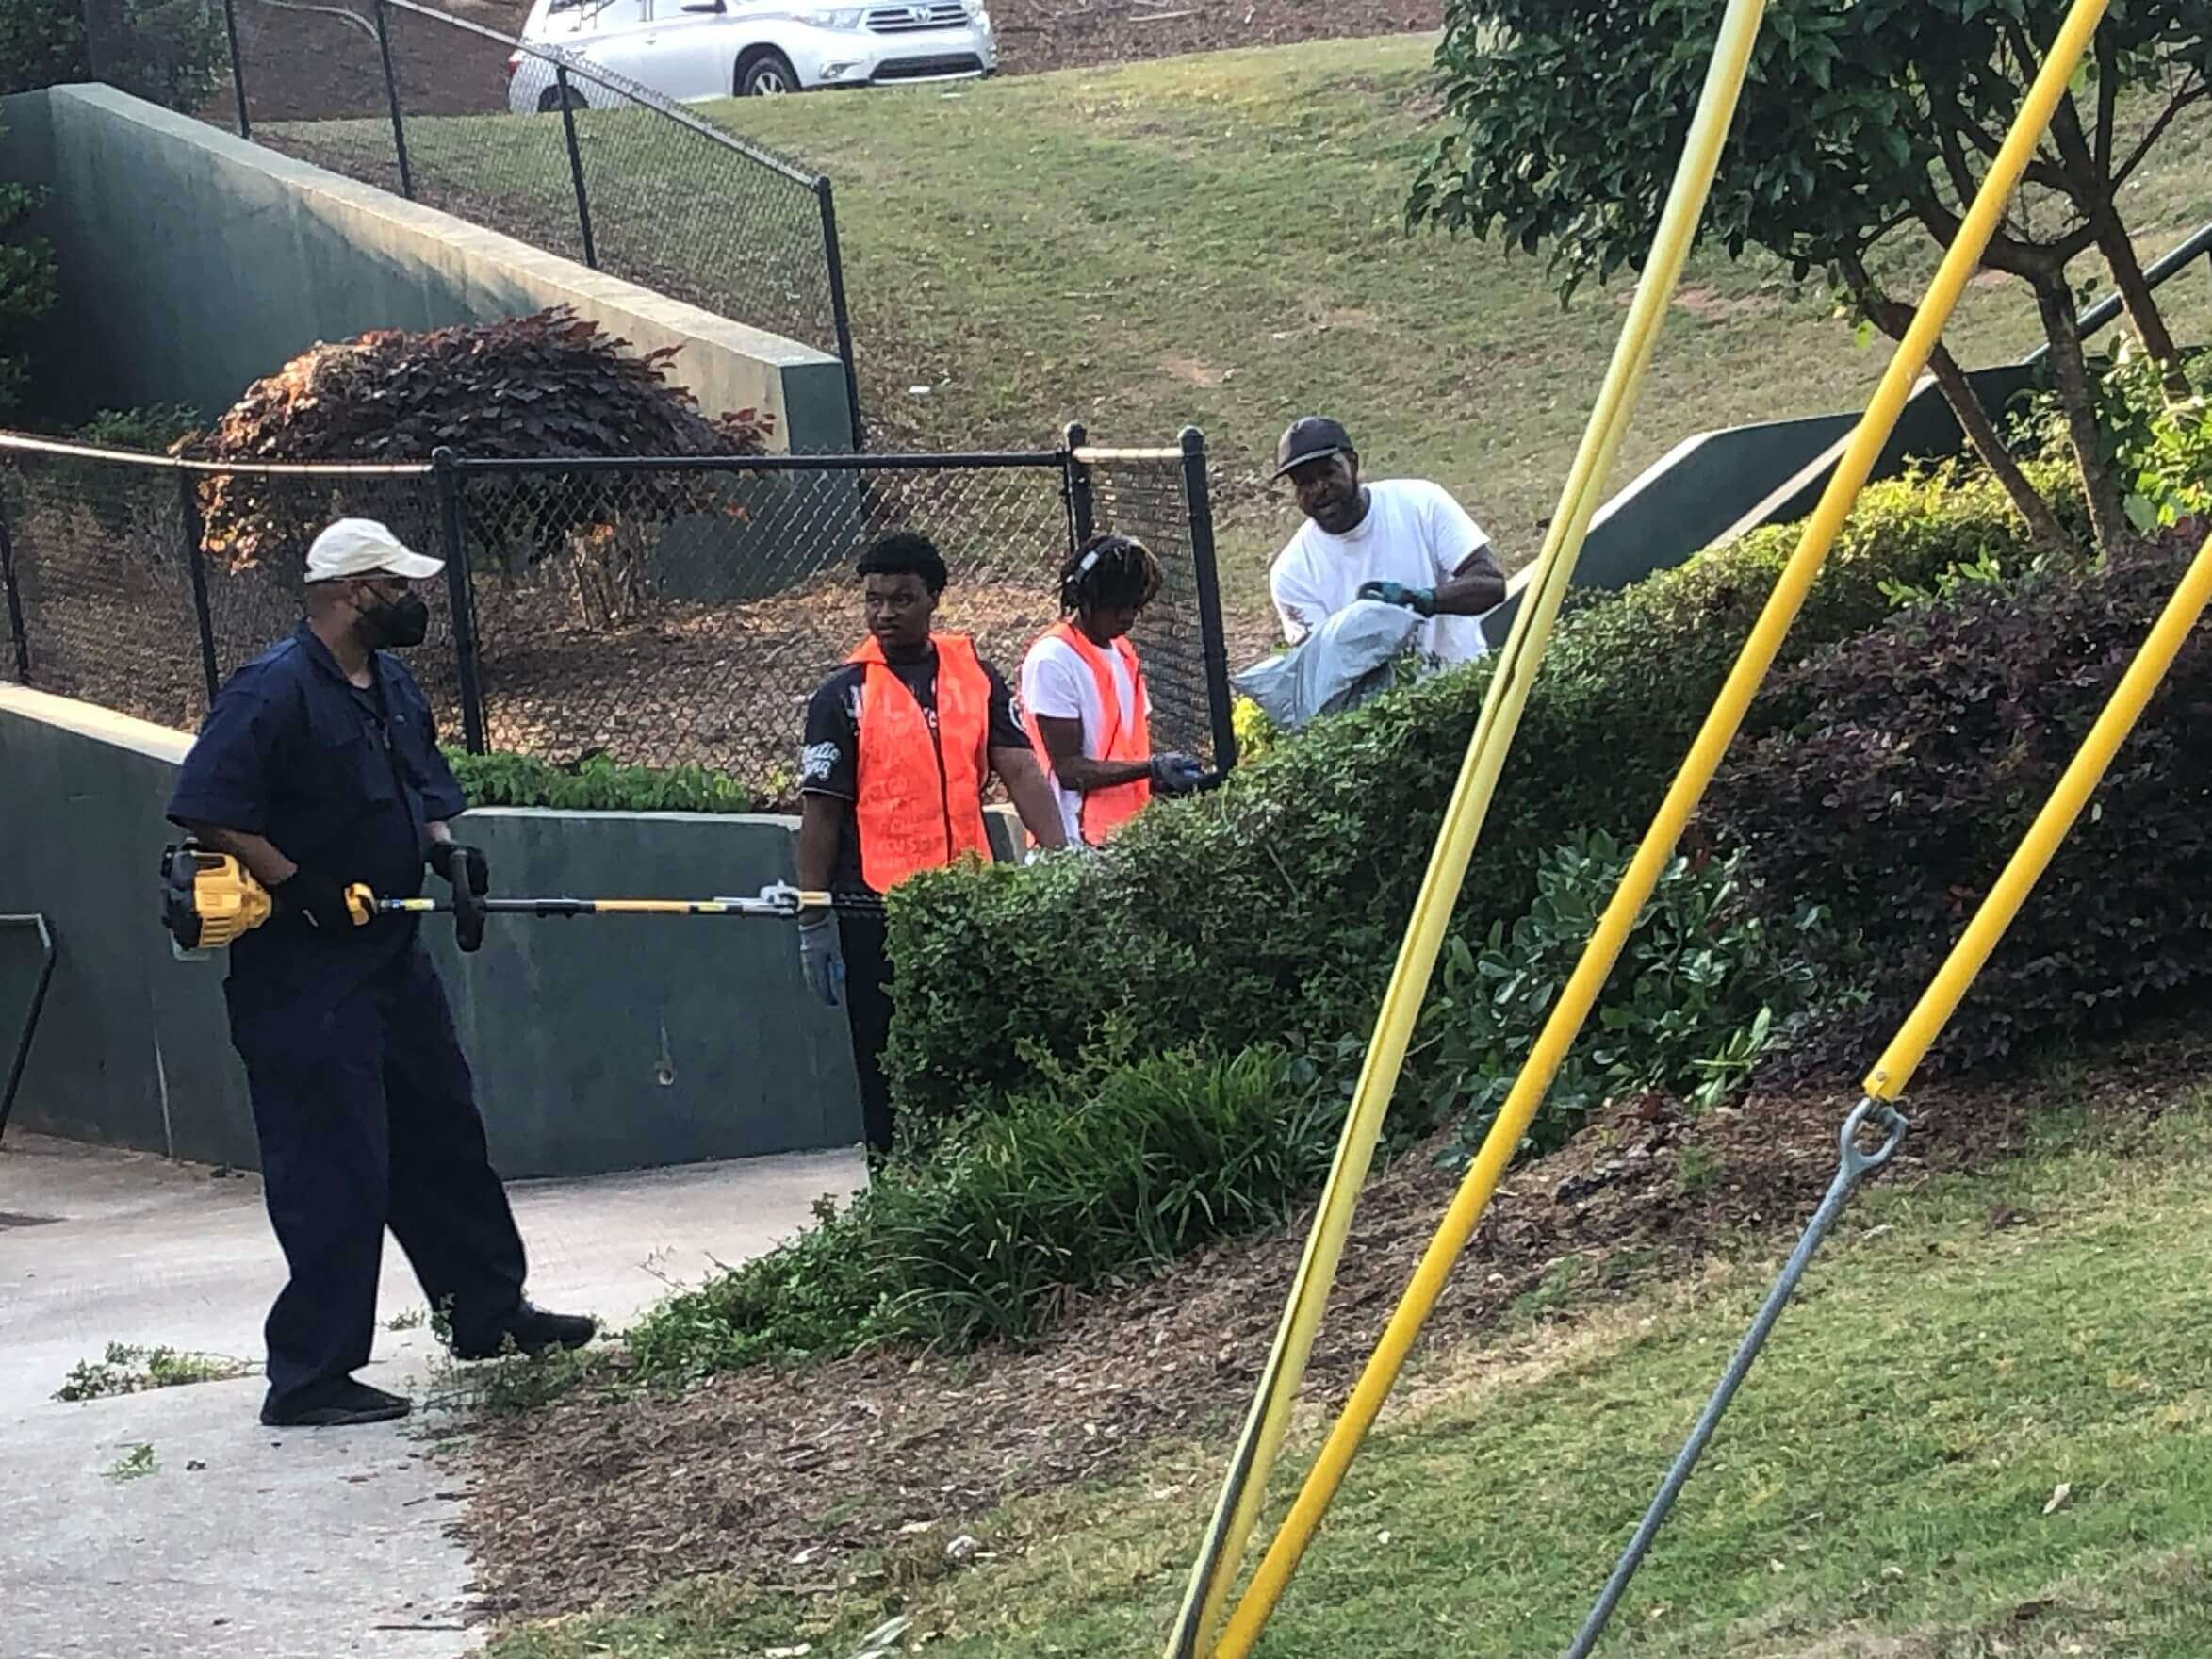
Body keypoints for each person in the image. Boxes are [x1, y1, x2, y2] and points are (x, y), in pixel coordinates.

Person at [167, 518, 594, 1430]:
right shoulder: (272, 691)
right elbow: (207, 807)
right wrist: (300, 886)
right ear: (355, 591)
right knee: (334, 1165)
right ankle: (311, 1376)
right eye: (399, 587)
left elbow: (421, 790)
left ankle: (487, 1316)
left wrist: (448, 856)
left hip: (390, 957)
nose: (414, 602)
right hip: (302, 974)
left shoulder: (391, 685)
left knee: (442, 1136)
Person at [794, 531, 1068, 1155]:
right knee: (884, 1053)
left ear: (933, 598)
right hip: (875, 905)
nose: (884, 613)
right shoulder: (843, 696)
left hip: (964, 898)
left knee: (974, 1040)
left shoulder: (975, 678)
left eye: (900, 599)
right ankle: (893, 1177)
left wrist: (1060, 853)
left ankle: (970, 1166)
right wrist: (813, 916)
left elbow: (1020, 768)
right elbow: (821, 811)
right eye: (873, 601)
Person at [1267, 415, 1508, 668]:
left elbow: (1491, 584)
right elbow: (1319, 668)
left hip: (1464, 687)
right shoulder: (1292, 574)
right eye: (1304, 483)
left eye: (1327, 473)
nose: (1319, 488)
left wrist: (1425, 600)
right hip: (1378, 706)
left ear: (1353, 463)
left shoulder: (1420, 503)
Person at [1019, 534, 1207, 847]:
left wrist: (1162, 777)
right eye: (1117, 606)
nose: (1127, 617)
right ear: (1085, 598)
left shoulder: (1123, 652)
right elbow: (1068, 769)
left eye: (1134, 607)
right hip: (1076, 843)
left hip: (1127, 835)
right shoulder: (1052, 660)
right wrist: (1152, 768)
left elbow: (1127, 750)